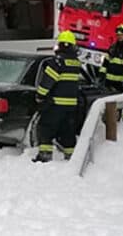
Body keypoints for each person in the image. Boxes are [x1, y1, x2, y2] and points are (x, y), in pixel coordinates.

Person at [33, 30, 85, 163]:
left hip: (55, 104)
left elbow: (47, 83)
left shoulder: (57, 63)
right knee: (68, 131)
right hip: (71, 106)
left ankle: (45, 155)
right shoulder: (76, 64)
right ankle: (70, 156)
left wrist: (40, 96)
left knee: (46, 127)